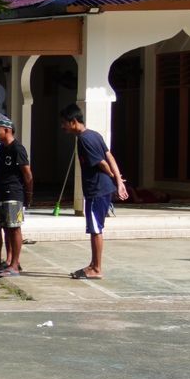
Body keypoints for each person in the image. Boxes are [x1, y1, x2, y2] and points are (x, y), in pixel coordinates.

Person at [61, 103, 129, 280]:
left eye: (64, 123)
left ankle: (97, 268)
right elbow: (110, 155)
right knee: (95, 228)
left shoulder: (84, 139)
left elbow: (103, 163)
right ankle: (93, 264)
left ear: (73, 121)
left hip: (97, 190)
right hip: (102, 189)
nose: (63, 127)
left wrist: (115, 178)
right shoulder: (95, 135)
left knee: (95, 228)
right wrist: (119, 181)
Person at [0, 115, 32, 276]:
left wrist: (28, 194)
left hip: (14, 192)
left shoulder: (17, 149)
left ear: (7, 130)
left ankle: (14, 263)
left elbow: (27, 174)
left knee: (13, 228)